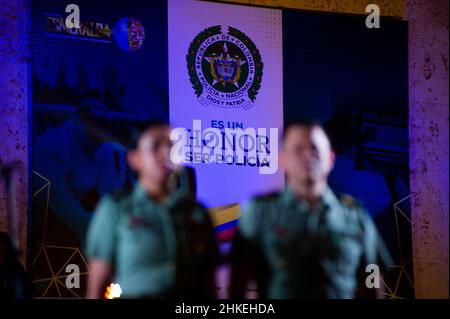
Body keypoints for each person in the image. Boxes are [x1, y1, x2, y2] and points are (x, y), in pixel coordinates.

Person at [230, 119, 392, 299]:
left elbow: (373, 277)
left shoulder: (356, 215)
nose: (308, 155)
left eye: (315, 148)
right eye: (298, 149)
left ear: (330, 157)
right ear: (282, 159)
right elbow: (238, 282)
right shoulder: (260, 212)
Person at [85, 120, 220, 298]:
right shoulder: (115, 209)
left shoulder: (197, 213)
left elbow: (209, 285)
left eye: (171, 146)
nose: (166, 152)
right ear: (135, 159)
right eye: (155, 146)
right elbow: (96, 287)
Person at [33, 99, 128, 239]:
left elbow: (110, 196)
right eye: (92, 129)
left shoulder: (104, 148)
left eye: (102, 130)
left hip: (75, 211)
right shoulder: (49, 148)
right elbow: (61, 202)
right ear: (77, 122)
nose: (97, 137)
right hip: (38, 217)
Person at [0, 232, 30, 299]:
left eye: (3, 248)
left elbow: (22, 293)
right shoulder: (16, 267)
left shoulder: (16, 268)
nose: (1, 253)